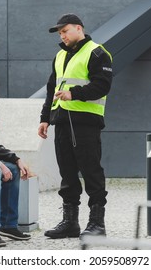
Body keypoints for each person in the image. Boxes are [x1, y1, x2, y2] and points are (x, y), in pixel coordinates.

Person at [37, 13, 113, 239]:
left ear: (79, 28)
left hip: (85, 123)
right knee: (67, 174)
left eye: (65, 30)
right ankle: (70, 223)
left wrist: (74, 94)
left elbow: (103, 85)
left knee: (91, 172)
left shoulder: (97, 53)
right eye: (60, 32)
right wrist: (45, 118)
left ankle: (97, 224)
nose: (62, 35)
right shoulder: (60, 55)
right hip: (61, 121)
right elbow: (52, 88)